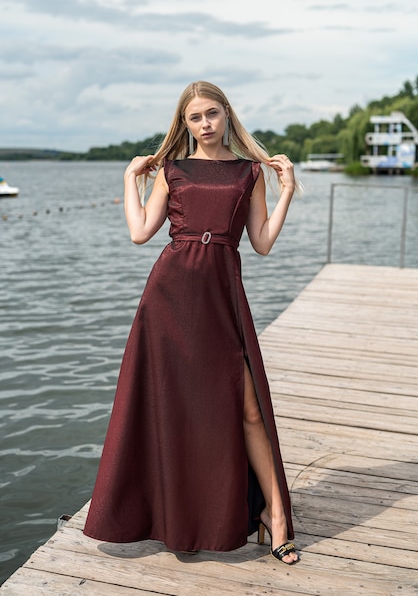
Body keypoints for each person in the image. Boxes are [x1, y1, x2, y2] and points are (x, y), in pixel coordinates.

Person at [83, 81, 299, 564]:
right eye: (194, 118)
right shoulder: (173, 170)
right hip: (169, 299)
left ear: (227, 115)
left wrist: (285, 192)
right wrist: (128, 179)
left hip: (221, 299)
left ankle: (276, 515)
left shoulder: (248, 173)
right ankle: (175, 516)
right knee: (171, 409)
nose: (204, 124)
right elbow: (141, 233)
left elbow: (261, 242)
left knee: (247, 409)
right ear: (184, 124)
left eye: (212, 114)